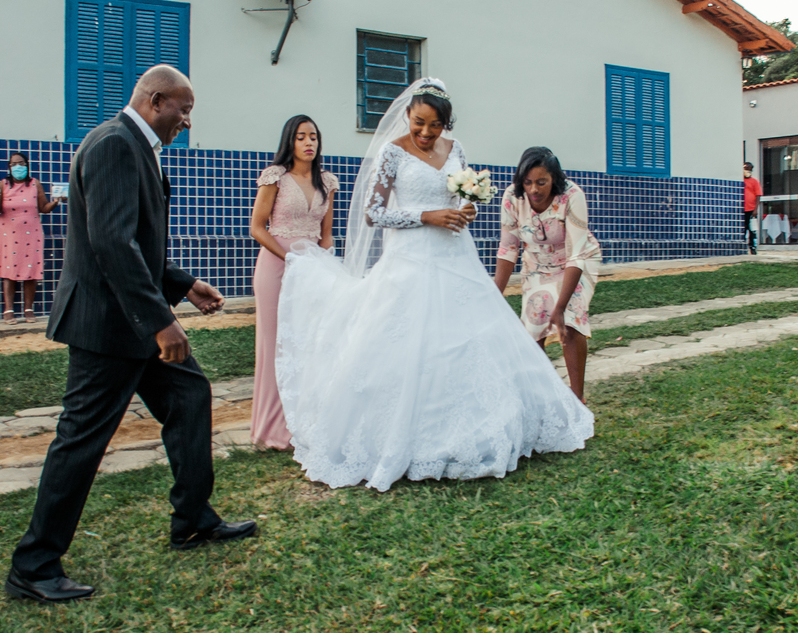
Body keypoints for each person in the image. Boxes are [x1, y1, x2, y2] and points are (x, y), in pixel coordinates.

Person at [6, 65, 256, 604]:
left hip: (131, 320)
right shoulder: (115, 145)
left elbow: (137, 245)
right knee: (81, 440)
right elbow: (112, 245)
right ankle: (34, 564)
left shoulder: (132, 146)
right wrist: (162, 322)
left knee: (190, 396)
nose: (187, 122)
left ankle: (193, 519)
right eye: (183, 110)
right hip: (107, 325)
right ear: (156, 99)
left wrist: (184, 284)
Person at [274, 79, 594, 492]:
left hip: (455, 255)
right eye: (420, 123)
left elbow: (460, 195)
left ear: (446, 123)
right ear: (408, 115)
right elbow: (373, 213)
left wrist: (465, 208)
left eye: (436, 125)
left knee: (472, 338)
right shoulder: (392, 153)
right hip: (410, 260)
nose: (427, 133)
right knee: (408, 341)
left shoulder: (455, 148)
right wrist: (427, 216)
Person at [249, 115, 338, 449]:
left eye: (313, 136)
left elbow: (326, 236)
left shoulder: (327, 182)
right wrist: (289, 258)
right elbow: (257, 227)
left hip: (312, 270)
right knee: (275, 345)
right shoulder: (275, 177)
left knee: (309, 344)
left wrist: (322, 266)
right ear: (290, 141)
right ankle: (271, 431)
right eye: (301, 137)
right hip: (277, 266)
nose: (309, 142)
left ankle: (306, 422)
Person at [492, 147, 602, 402]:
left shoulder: (572, 196)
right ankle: (540, 403)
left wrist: (562, 307)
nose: (534, 190)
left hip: (576, 261)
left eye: (542, 182)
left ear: (555, 179)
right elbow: (508, 249)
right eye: (528, 182)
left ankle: (577, 401)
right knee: (534, 323)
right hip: (537, 265)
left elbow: (577, 254)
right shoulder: (511, 197)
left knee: (570, 321)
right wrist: (495, 295)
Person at [0, 151, 61, 323]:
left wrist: (56, 201)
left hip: (31, 234)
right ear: (9, 167)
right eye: (13, 164)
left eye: (21, 163)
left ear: (27, 165)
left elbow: (43, 207)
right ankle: (9, 311)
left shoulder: (35, 184)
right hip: (8, 234)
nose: (17, 167)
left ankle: (29, 310)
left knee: (31, 270)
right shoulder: (2, 185)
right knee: (9, 271)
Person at [743, 161, 762, 255]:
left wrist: (755, 209)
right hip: (741, 209)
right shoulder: (741, 181)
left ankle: (752, 247)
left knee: (752, 230)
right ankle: (742, 246)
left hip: (750, 209)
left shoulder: (754, 181)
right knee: (743, 229)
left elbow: (758, 195)